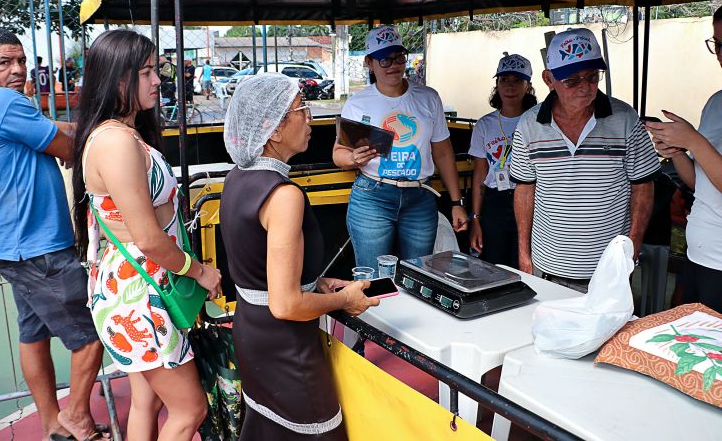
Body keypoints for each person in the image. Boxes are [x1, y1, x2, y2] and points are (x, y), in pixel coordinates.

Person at [72, 30, 222, 440]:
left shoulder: (120, 134)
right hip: (140, 294)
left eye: (157, 69)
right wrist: (200, 272)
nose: (158, 80)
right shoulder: (117, 141)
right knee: (190, 410)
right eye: (147, 72)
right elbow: (150, 239)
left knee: (147, 402)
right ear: (118, 79)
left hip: (136, 290)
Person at [0, 28, 106, 441]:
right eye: (4, 63)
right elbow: (65, 147)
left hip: (15, 245)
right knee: (91, 336)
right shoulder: (5, 103)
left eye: (21, 61)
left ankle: (50, 423)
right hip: (37, 247)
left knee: (34, 334)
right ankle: (77, 418)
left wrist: (66, 131)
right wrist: (108, 132)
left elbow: (50, 127)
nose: (17, 70)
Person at [220, 73, 378, 440]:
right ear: (273, 129)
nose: (311, 119)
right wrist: (343, 298)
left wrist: (314, 282)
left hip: (251, 331)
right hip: (285, 343)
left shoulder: (237, 178)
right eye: (301, 110)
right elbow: (286, 304)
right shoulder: (283, 195)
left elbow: (260, 266)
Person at [510, 28, 661, 292]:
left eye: (592, 77)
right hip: (548, 266)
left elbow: (643, 186)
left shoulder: (625, 119)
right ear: (549, 79)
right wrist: (524, 252)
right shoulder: (529, 125)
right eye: (572, 80)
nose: (585, 87)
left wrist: (633, 245)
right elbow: (525, 188)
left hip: (609, 268)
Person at [333, 26, 469, 273]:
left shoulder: (428, 98)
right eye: (384, 59)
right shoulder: (357, 103)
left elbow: (443, 152)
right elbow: (338, 153)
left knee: (419, 276)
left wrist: (456, 201)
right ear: (369, 63)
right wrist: (353, 157)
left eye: (398, 57)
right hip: (372, 196)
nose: (393, 65)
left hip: (420, 196)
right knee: (373, 278)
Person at [645, 5, 722, 311]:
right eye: (717, 44)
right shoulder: (716, 103)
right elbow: (698, 182)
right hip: (698, 253)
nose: (720, 54)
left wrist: (692, 139)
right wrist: (677, 151)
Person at [468, 53, 538, 268]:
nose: (510, 86)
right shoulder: (484, 125)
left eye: (518, 80)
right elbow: (480, 173)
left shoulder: (538, 120)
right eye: (504, 80)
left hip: (529, 197)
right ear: (497, 85)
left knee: (525, 264)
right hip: (494, 202)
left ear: (528, 86)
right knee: (494, 267)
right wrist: (476, 218)